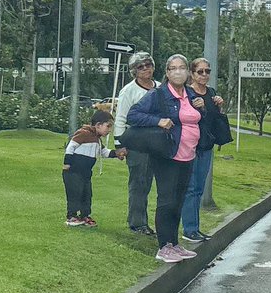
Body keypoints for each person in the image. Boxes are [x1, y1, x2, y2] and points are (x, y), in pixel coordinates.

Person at [127, 54, 208, 264]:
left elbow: (198, 120)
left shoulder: (190, 93)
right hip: (168, 153)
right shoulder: (159, 94)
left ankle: (174, 243)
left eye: (182, 67)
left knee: (179, 200)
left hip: (188, 154)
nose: (178, 71)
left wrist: (202, 107)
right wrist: (159, 120)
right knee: (167, 200)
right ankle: (164, 246)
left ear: (187, 73)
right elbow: (133, 115)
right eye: (174, 68)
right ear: (167, 72)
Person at [114, 51, 158, 237]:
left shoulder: (161, 87)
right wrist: (119, 144)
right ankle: (137, 223)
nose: (146, 69)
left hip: (159, 142)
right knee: (139, 183)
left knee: (155, 184)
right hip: (137, 142)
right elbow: (120, 118)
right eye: (141, 66)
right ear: (134, 71)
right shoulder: (128, 91)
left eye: (148, 64)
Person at [181, 57, 224, 243]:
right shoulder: (186, 93)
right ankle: (189, 229)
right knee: (190, 188)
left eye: (207, 71)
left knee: (199, 188)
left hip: (206, 146)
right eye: (200, 71)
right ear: (192, 73)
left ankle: (195, 228)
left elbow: (213, 120)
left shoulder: (211, 93)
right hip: (190, 146)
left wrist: (218, 105)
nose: (204, 75)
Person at [63, 111, 127, 227]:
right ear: (98, 125)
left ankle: (85, 215)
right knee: (74, 193)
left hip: (86, 173)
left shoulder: (97, 139)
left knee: (86, 194)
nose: (109, 130)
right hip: (73, 171)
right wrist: (67, 163)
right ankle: (71, 216)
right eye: (108, 126)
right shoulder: (83, 133)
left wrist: (116, 153)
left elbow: (103, 152)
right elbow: (71, 147)